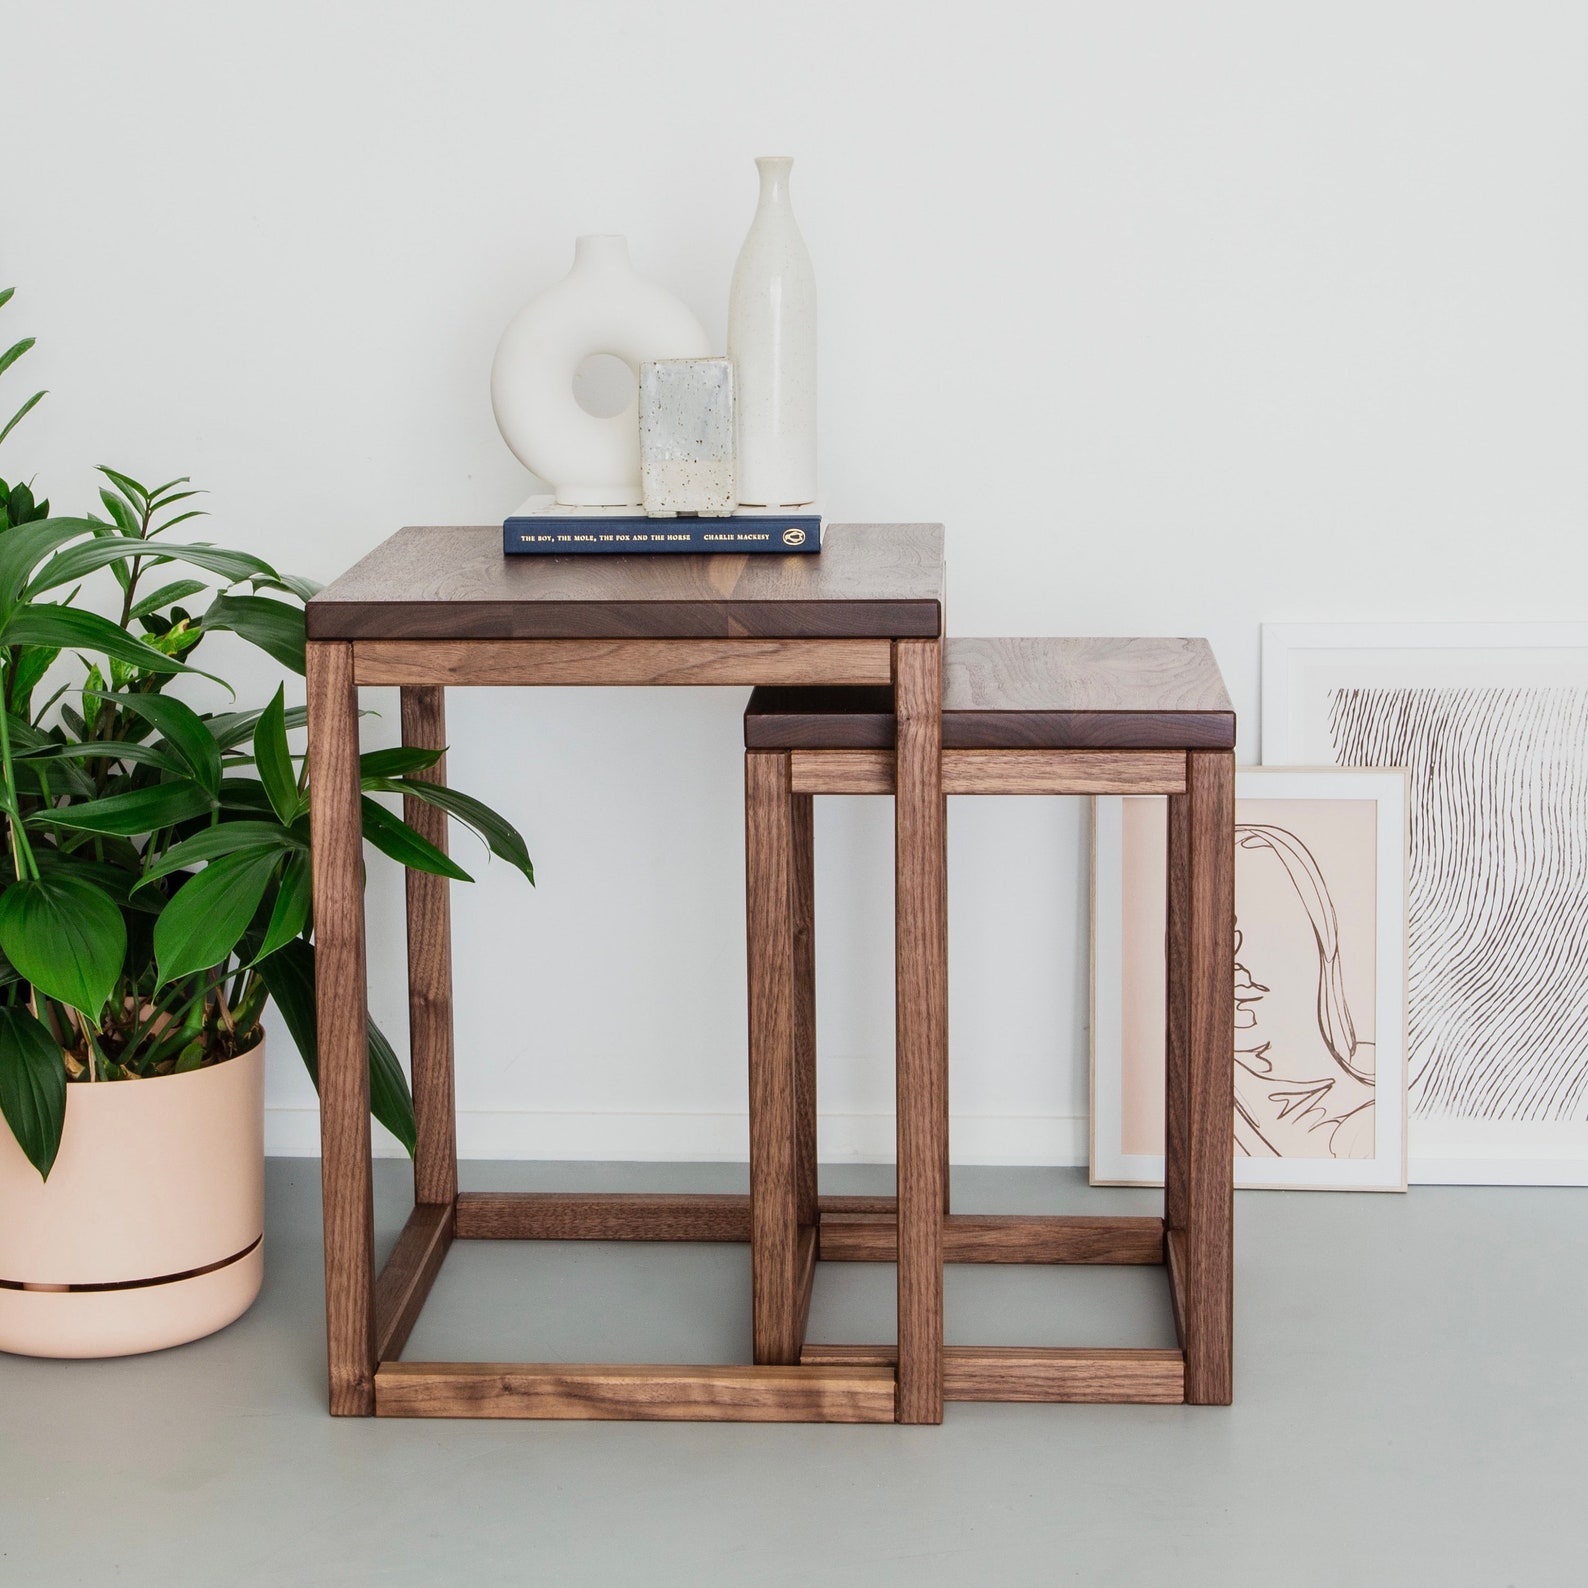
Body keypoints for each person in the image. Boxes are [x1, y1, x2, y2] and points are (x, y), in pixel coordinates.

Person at [1231, 824, 1376, 1159]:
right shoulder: (1189, 1097)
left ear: (1321, 938)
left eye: (1261, 929)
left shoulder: (1369, 1120)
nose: (1233, 958)